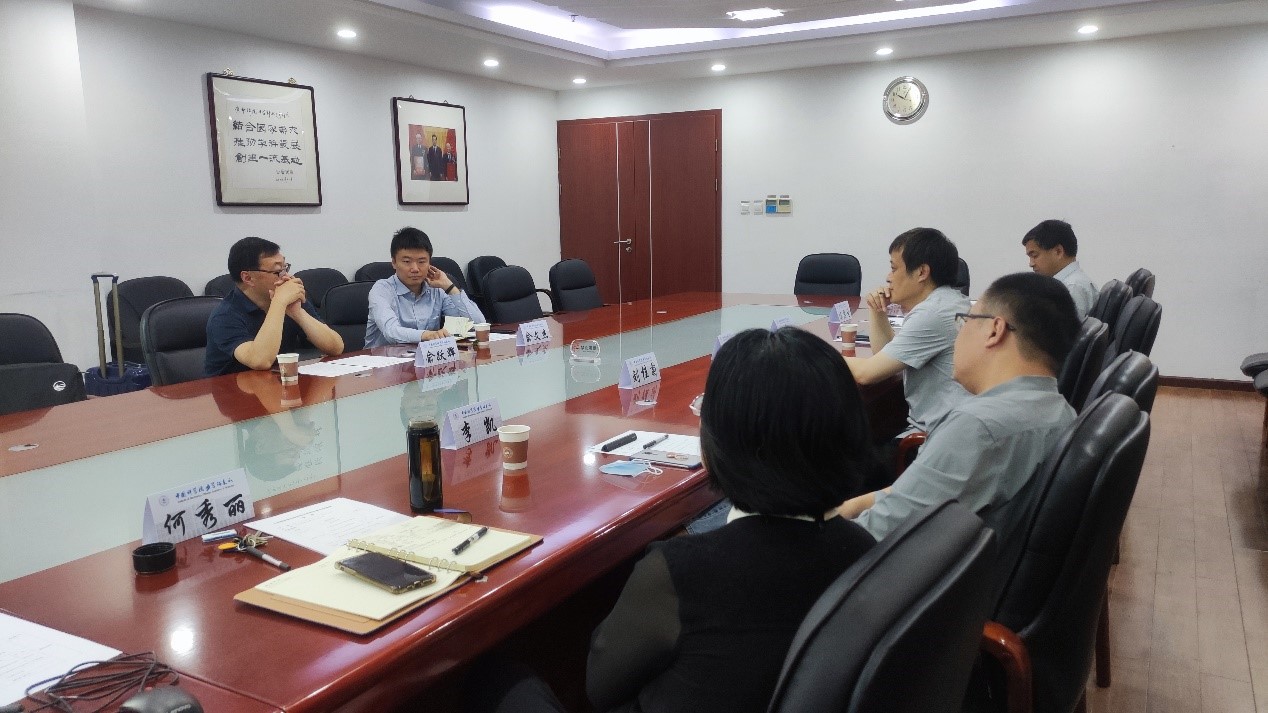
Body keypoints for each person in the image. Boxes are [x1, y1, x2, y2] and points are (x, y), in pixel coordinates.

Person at [468, 327, 877, 713]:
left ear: (718, 443)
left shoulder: (680, 572)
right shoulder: (862, 550)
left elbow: (599, 687)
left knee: (496, 680)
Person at [841, 272, 1080, 541]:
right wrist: (850, 506)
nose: (959, 334)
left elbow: (874, 533)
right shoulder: (1061, 411)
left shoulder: (978, 426)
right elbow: (914, 493)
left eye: (965, 321)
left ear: (994, 330)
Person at [204, 237, 344, 377]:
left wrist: (298, 313)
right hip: (232, 387)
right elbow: (260, 361)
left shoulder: (289, 301)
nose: (286, 276)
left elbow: (336, 347)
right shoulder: (224, 316)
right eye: (277, 271)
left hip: (278, 382)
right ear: (248, 278)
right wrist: (279, 303)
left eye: (285, 268)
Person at [364, 227, 484, 347]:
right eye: (407, 262)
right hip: (381, 357)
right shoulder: (381, 290)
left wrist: (449, 287)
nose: (415, 269)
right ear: (394, 263)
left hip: (424, 356)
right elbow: (391, 332)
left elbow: (478, 325)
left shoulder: (437, 290)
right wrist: (427, 335)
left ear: (429, 263)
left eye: (421, 261)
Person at [1022, 219, 1098, 319]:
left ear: (1058, 251)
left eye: (1034, 255)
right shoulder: (1073, 284)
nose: (1031, 264)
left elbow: (1063, 329)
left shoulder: (1071, 288)